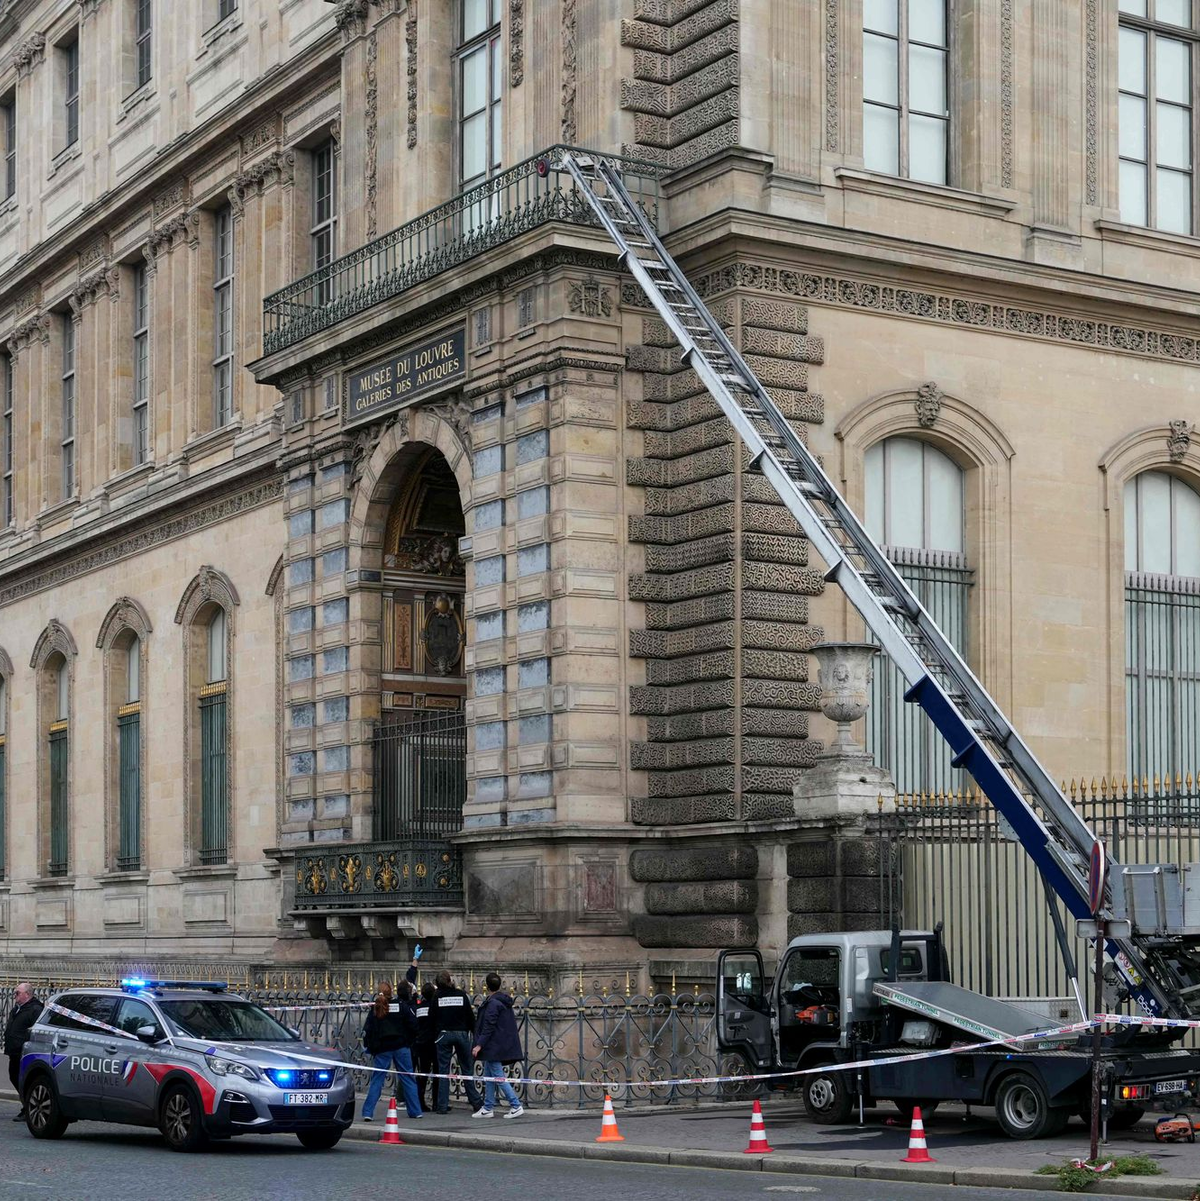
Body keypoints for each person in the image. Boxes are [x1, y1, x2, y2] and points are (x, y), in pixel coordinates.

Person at [360, 981, 422, 1122]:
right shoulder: (401, 1005)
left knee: (377, 1080)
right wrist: (409, 1040)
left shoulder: (376, 1008)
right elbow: (413, 1024)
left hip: (383, 1048)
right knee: (408, 1078)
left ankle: (368, 1112)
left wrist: (371, 1047)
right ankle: (416, 1111)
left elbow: (368, 1030)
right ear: (391, 992)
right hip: (401, 1046)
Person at [472, 972, 525, 1119]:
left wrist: (479, 1045)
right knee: (488, 1076)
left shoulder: (493, 1003)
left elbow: (489, 1025)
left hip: (494, 1046)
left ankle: (515, 1105)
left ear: (486, 986)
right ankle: (488, 1107)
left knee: (498, 1076)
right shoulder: (501, 1001)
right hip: (496, 1045)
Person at [432, 970, 482, 1114]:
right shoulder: (461, 995)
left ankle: (442, 1105)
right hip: (461, 1033)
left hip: (444, 1034)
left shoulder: (437, 996)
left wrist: (436, 1034)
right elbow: (470, 1016)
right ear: (450, 980)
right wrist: (474, 1034)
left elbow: (432, 1017)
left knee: (443, 1071)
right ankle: (476, 1102)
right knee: (467, 1069)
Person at [4, 984, 43, 1122]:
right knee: (14, 1077)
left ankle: (28, 1108)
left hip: (25, 1052)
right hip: (14, 1050)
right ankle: (28, 1105)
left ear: (27, 994)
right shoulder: (17, 1008)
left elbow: (36, 1031)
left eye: (17, 993)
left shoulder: (35, 1009)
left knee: (23, 1080)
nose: (15, 995)